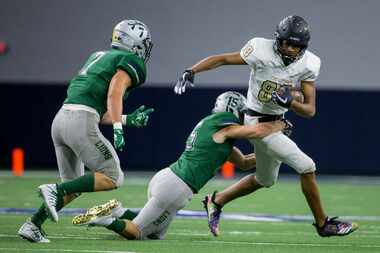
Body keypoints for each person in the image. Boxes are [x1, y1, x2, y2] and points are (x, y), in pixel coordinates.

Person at [174, 15, 358, 237]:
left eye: (295, 45)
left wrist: (290, 102)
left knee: (265, 179)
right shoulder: (260, 49)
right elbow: (223, 59)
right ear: (278, 40)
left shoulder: (310, 63)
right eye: (286, 43)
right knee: (307, 166)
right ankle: (323, 224)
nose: (289, 49)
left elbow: (310, 110)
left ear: (304, 46)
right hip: (256, 121)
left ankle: (217, 200)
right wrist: (192, 70)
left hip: (276, 122)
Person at [71, 91, 291, 240]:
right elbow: (253, 131)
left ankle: (117, 210)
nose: (246, 117)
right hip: (175, 187)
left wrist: (276, 155)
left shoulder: (218, 133)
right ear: (235, 110)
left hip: (171, 181)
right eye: (244, 113)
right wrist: (277, 125)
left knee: (155, 234)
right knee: (137, 232)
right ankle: (104, 219)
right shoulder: (223, 125)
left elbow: (243, 162)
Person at [18, 19, 154, 243]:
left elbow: (98, 110)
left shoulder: (98, 56)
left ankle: (33, 224)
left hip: (62, 120)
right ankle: (53, 190)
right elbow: (114, 94)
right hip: (80, 122)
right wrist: (119, 128)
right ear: (135, 42)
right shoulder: (131, 60)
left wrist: (127, 119)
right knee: (112, 176)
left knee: (73, 186)